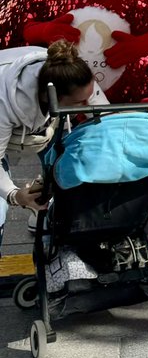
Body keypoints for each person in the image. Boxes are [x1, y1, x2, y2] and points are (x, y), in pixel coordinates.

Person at [0, 40, 97, 254]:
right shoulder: (4, 102)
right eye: (79, 102)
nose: (86, 106)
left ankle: (48, 207)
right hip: (5, 109)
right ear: (49, 96)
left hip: (36, 117)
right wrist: (15, 195)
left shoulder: (69, 73)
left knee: (70, 154)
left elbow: (102, 117)